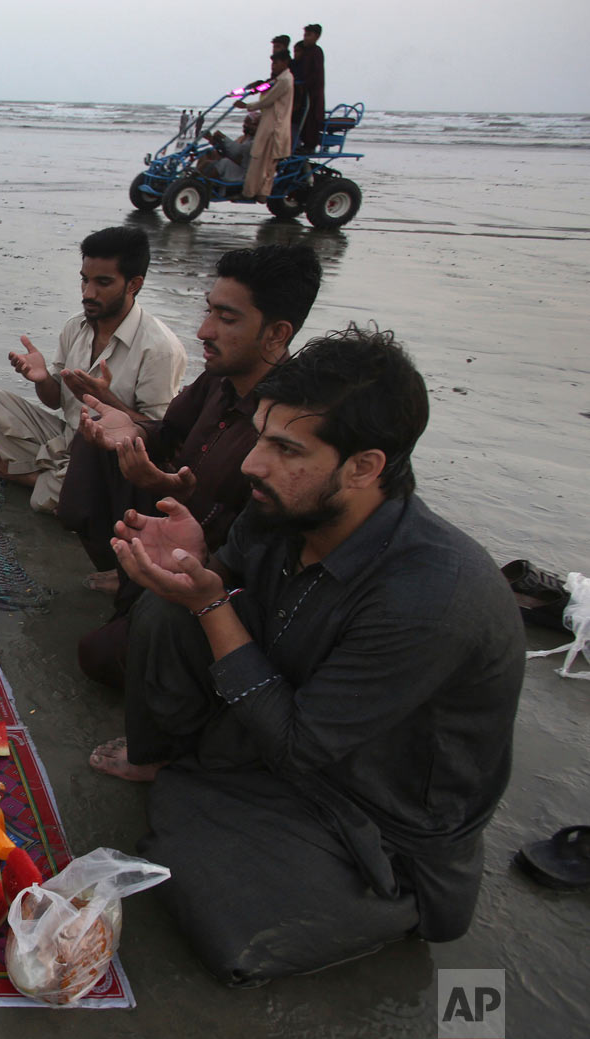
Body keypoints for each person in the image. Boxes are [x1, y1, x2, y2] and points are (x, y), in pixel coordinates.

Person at [90, 326, 523, 985]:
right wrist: (197, 560)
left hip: (376, 810)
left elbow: (298, 742)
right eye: (261, 434)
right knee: (163, 609)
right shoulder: (285, 506)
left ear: (365, 466)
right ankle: (184, 770)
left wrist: (212, 603)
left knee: (222, 922)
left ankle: (390, 903)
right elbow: (224, 586)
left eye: (286, 447)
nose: (252, 464)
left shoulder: (433, 596)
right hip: (293, 724)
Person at [59, 243, 321, 689]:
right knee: (97, 445)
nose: (203, 330)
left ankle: (155, 612)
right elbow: (164, 431)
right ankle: (128, 580)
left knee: (97, 657)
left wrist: (174, 491)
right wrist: (131, 428)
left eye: (227, 318)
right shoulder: (218, 380)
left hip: (215, 566)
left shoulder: (289, 424)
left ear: (277, 334)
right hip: (171, 517)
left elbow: (250, 544)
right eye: (209, 312)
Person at [0, 226, 186, 514]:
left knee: (45, 500)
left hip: (107, 459)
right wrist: (40, 379)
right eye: (84, 280)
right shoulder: (76, 326)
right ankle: (55, 474)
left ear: (133, 284)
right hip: (67, 438)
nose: (88, 293)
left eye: (102, 283)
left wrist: (108, 400)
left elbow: (159, 441)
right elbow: (54, 400)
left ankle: (30, 476)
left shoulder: (160, 348)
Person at [234, 50, 293, 202]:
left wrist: (247, 105)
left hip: (274, 125)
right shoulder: (278, 80)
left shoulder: (285, 80)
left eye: (276, 63)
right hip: (270, 123)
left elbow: (267, 101)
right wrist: (252, 88)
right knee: (263, 160)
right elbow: (264, 89)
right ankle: (258, 193)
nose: (273, 66)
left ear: (285, 63)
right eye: (272, 63)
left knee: (262, 159)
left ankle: (254, 193)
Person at [196, 113, 261, 181]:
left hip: (242, 172)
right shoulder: (244, 138)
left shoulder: (254, 143)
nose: (244, 125)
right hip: (235, 163)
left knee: (218, 163)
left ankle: (198, 180)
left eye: (248, 123)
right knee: (208, 153)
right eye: (245, 122)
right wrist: (213, 140)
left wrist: (224, 138)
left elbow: (237, 156)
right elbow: (231, 151)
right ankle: (196, 177)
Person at [292, 24, 326, 152]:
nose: (306, 38)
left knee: (311, 118)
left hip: (313, 92)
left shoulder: (316, 51)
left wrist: (303, 84)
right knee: (304, 119)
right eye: (305, 35)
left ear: (317, 36)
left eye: (308, 35)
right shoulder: (306, 52)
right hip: (305, 91)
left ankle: (310, 146)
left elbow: (316, 74)